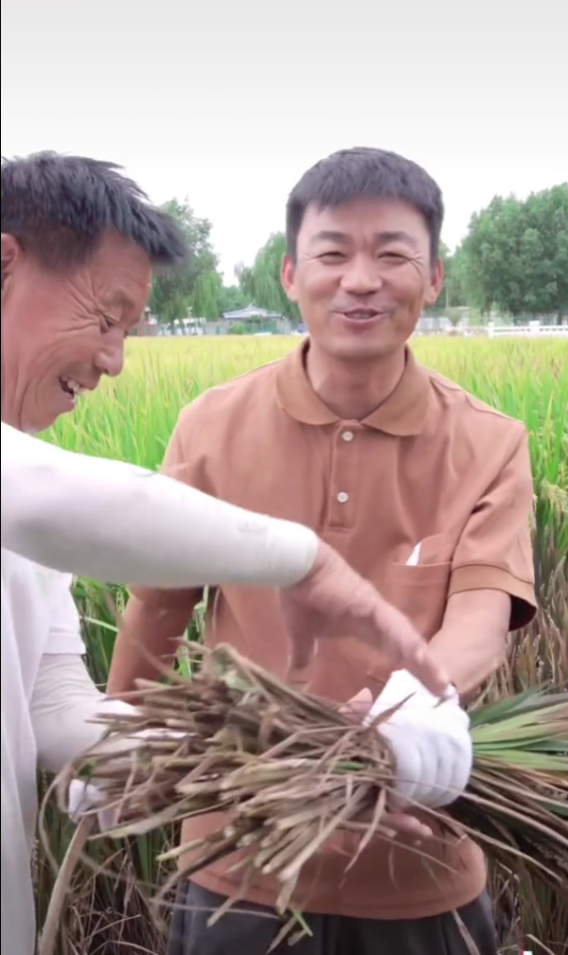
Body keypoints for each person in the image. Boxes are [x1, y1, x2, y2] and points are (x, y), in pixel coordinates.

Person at [0, 150, 451, 955]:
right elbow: (60, 498)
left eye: (128, 332)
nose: (112, 361)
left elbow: (52, 703)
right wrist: (303, 560)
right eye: (105, 318)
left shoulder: (34, 512)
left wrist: (277, 757)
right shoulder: (36, 488)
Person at [108, 146, 538, 955]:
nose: (361, 279)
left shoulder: (488, 442)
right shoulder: (212, 424)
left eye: (392, 254)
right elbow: (158, 605)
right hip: (241, 858)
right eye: (333, 252)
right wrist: (114, 735)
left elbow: (480, 619)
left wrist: (407, 714)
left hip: (420, 869)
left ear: (435, 278)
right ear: (289, 274)